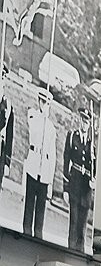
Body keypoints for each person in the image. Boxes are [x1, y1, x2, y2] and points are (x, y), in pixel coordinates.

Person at [22, 88, 56, 238]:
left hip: (44, 172)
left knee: (40, 212)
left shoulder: (51, 128)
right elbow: (33, 129)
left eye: (48, 104)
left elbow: (53, 156)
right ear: (39, 102)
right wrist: (41, 115)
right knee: (29, 206)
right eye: (44, 102)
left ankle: (38, 237)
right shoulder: (33, 116)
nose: (46, 106)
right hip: (33, 166)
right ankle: (26, 235)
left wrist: (51, 184)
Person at [63, 108, 94, 251]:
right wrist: (65, 187)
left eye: (86, 121)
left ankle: (80, 253)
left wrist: (94, 179)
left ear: (89, 125)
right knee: (73, 224)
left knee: (82, 228)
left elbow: (96, 167)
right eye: (82, 120)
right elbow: (66, 160)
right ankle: (70, 251)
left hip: (86, 190)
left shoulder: (92, 144)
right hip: (75, 186)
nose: (84, 123)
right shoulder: (72, 136)